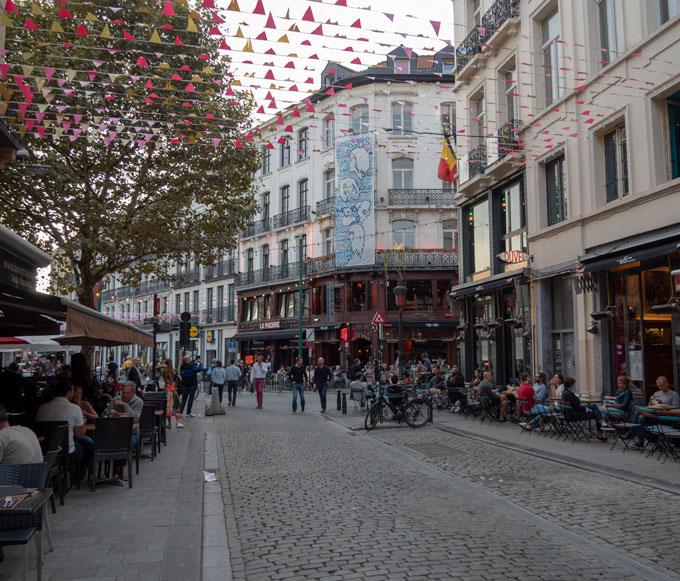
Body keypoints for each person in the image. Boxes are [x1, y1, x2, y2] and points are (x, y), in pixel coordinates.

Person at [35, 378, 87, 459]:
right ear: (69, 392)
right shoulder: (75, 408)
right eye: (72, 391)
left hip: (45, 451)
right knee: (83, 448)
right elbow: (79, 434)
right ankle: (72, 471)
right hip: (66, 450)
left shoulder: (42, 408)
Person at [160, 359, 183, 429]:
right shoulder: (174, 371)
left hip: (167, 390)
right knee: (176, 405)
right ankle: (177, 422)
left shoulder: (163, 370)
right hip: (174, 390)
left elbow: (157, 369)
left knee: (168, 407)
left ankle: (169, 423)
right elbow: (180, 379)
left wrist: (163, 365)